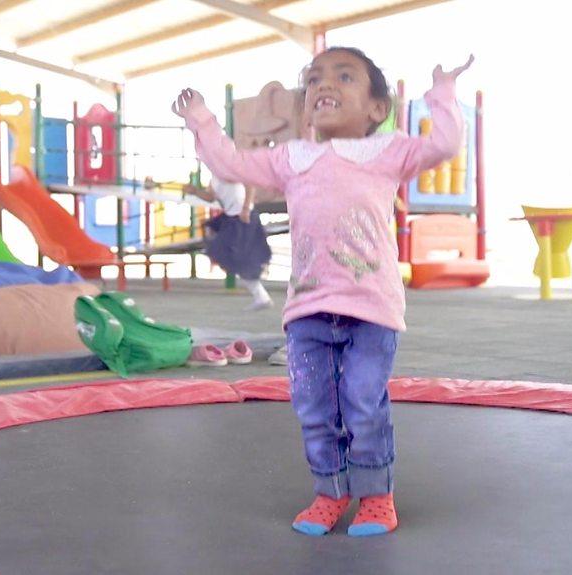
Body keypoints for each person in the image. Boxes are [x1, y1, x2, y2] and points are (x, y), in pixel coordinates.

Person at [173, 47, 473, 537]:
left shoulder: (390, 150)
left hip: (371, 307)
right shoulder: (293, 158)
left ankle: (376, 494)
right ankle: (330, 491)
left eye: (344, 76)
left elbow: (444, 144)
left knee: (360, 397)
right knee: (313, 403)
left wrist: (443, 92)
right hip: (308, 307)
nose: (324, 85)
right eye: (314, 80)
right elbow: (230, 164)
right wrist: (200, 119)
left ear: (377, 108)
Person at [183, 177, 273, 310]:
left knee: (240, 256)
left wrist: (246, 209)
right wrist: (195, 191)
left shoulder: (230, 167)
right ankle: (261, 296)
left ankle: (261, 286)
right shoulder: (214, 178)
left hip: (244, 217)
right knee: (229, 256)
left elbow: (249, 184)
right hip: (231, 218)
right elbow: (210, 196)